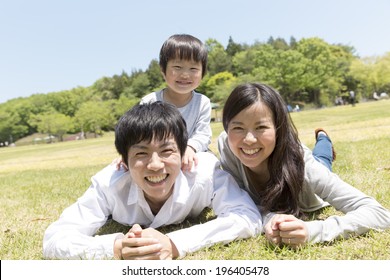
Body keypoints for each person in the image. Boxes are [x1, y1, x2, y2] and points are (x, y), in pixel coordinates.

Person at [43, 101, 261, 260]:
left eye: (167, 151)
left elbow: (247, 217)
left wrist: (175, 243)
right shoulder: (109, 183)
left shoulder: (204, 171)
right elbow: (55, 239)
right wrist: (117, 247)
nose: (155, 164)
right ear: (124, 162)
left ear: (184, 152)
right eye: (141, 154)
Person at [217, 82, 390, 248]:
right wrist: (269, 218)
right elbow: (243, 203)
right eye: (238, 128)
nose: (248, 140)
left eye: (261, 127)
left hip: (305, 170)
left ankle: (323, 139)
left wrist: (313, 230)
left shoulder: (304, 163)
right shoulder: (227, 145)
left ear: (279, 129)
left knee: (322, 160)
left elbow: (379, 214)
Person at [140, 34, 212, 171]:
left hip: (192, 155)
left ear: (203, 72)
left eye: (193, 69)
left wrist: (190, 148)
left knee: (209, 165)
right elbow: (139, 136)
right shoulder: (150, 101)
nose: (185, 74)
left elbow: (203, 134)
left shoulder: (203, 102)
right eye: (177, 67)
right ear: (163, 70)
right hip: (158, 158)